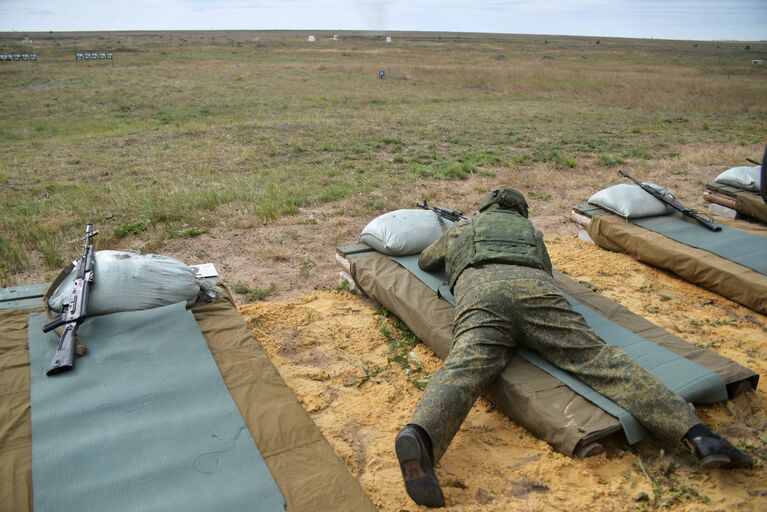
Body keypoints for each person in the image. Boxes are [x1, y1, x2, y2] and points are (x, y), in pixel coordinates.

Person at [395, 186, 753, 508]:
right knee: (601, 362)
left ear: (486, 208)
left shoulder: (463, 228)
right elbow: (546, 271)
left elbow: (428, 260)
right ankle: (698, 435)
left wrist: (456, 243)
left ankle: (421, 436)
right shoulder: (531, 232)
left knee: (464, 368)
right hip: (537, 293)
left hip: (482, 296)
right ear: (520, 212)